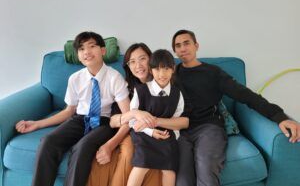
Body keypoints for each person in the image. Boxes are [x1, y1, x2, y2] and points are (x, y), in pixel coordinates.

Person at [171, 29, 300, 186]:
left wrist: (280, 117)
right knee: (182, 179)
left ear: (196, 45)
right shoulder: (171, 74)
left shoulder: (213, 73)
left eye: (186, 43)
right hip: (181, 131)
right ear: (175, 51)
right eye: (178, 46)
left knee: (206, 168)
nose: (183, 48)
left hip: (209, 127)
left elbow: (246, 95)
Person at [15, 31, 130, 186]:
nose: (87, 52)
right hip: (80, 119)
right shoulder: (75, 78)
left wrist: (112, 144)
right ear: (77, 55)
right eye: (81, 49)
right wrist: (37, 124)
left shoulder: (114, 77)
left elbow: (127, 115)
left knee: (82, 147)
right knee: (48, 141)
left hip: (103, 122)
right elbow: (68, 111)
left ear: (103, 51)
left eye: (92, 46)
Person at [86, 43, 161, 186]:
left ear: (151, 59)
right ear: (128, 66)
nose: (138, 65)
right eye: (132, 61)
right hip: (129, 132)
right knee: (123, 152)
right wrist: (134, 113)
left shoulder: (162, 83)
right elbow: (113, 121)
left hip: (152, 133)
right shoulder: (126, 86)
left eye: (142, 59)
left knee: (130, 152)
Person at [126, 49, 189, 186]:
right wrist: (151, 131)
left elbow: (177, 120)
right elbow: (132, 120)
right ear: (150, 70)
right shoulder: (141, 90)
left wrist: (171, 136)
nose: (162, 74)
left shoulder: (177, 94)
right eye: (157, 69)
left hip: (167, 134)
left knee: (169, 170)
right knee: (141, 166)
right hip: (144, 134)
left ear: (173, 69)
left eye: (166, 69)